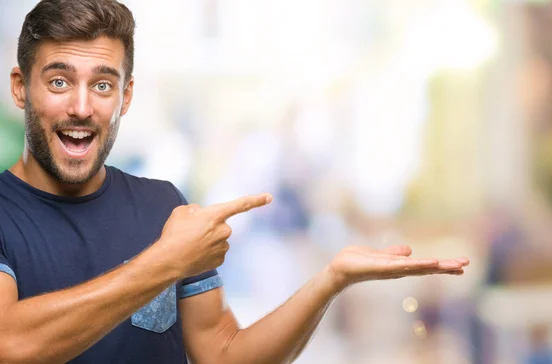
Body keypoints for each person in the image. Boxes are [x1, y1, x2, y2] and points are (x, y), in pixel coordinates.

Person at [0, 0, 470, 363]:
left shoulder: (164, 208)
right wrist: (164, 263)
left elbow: (224, 352)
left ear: (125, 96)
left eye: (103, 85)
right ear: (21, 87)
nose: (82, 107)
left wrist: (330, 280)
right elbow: (10, 344)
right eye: (59, 81)